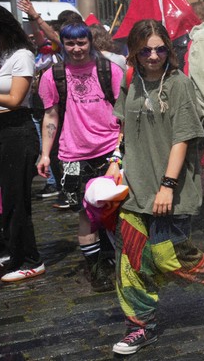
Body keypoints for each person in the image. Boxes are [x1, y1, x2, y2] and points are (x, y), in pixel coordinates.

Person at [109, 20, 204, 355]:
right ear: (134, 50)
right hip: (135, 187)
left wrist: (167, 185)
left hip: (172, 187)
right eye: (146, 49)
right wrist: (113, 161)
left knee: (169, 257)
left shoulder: (179, 84)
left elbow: (182, 137)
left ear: (169, 48)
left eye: (160, 48)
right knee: (131, 259)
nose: (153, 55)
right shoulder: (130, 80)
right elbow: (123, 126)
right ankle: (140, 327)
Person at [37, 22, 122, 291]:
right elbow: (51, 115)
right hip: (73, 154)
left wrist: (121, 151)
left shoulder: (110, 70)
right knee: (86, 214)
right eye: (70, 44)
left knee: (120, 209)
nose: (76, 49)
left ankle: (122, 263)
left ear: (90, 42)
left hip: (110, 150)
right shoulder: (53, 76)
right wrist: (45, 154)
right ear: (62, 44)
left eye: (81, 43)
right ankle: (96, 270)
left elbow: (125, 113)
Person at [0, 3, 43, 283]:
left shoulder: (22, 55)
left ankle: (30, 259)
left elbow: (15, 99)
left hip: (17, 129)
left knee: (14, 200)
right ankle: (1, 252)